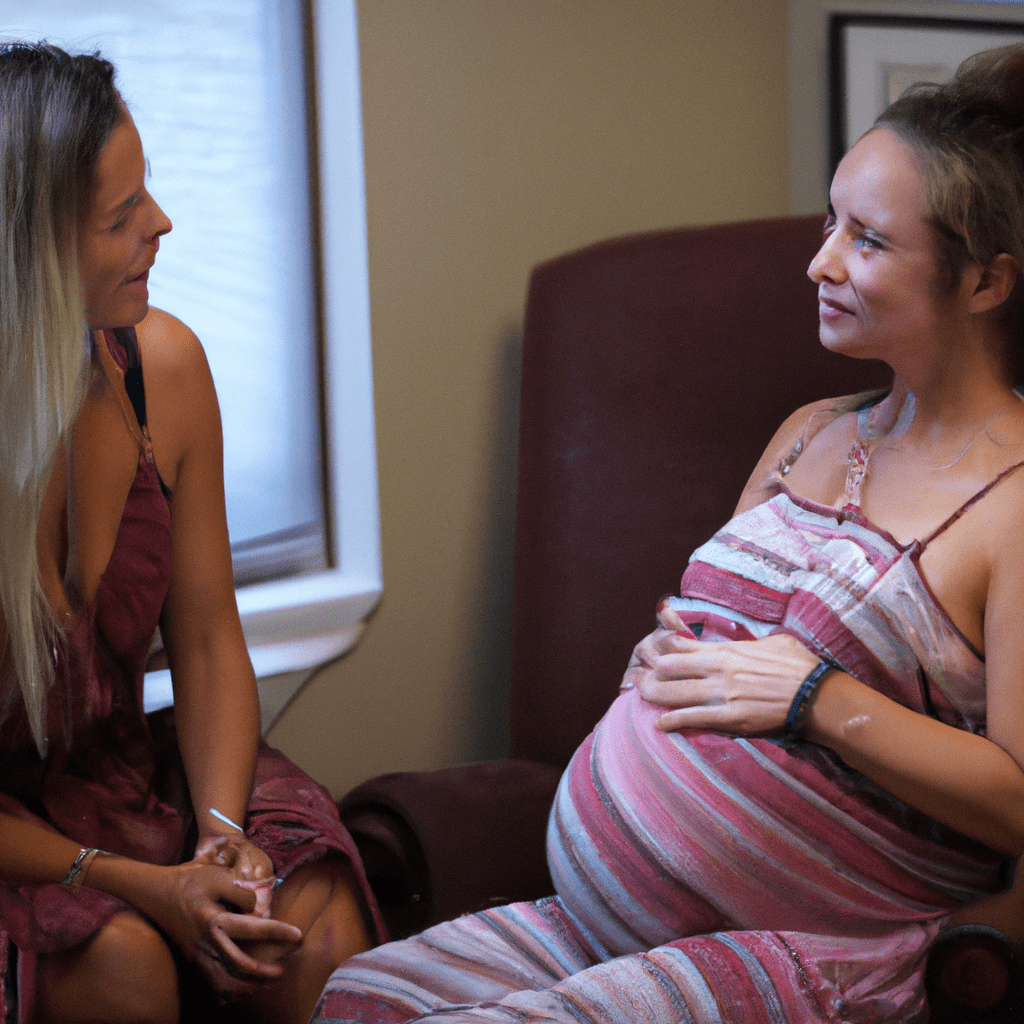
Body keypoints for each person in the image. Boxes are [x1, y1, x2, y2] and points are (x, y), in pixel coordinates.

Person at [313, 43, 1024, 1024]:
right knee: (359, 993)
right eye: (829, 221)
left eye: (866, 240)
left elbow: (1016, 796)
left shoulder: (1013, 505)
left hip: (818, 949)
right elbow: (708, 634)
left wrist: (815, 697)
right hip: (606, 914)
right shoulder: (810, 431)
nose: (818, 261)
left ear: (985, 283)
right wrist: (662, 656)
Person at [0, 43, 384, 1024]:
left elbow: (209, 637)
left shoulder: (158, 367)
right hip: (16, 828)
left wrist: (219, 829)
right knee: (123, 962)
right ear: (25, 251)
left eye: (150, 196)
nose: (160, 226)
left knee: (311, 925)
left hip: (128, 768)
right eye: (121, 217)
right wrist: (135, 883)